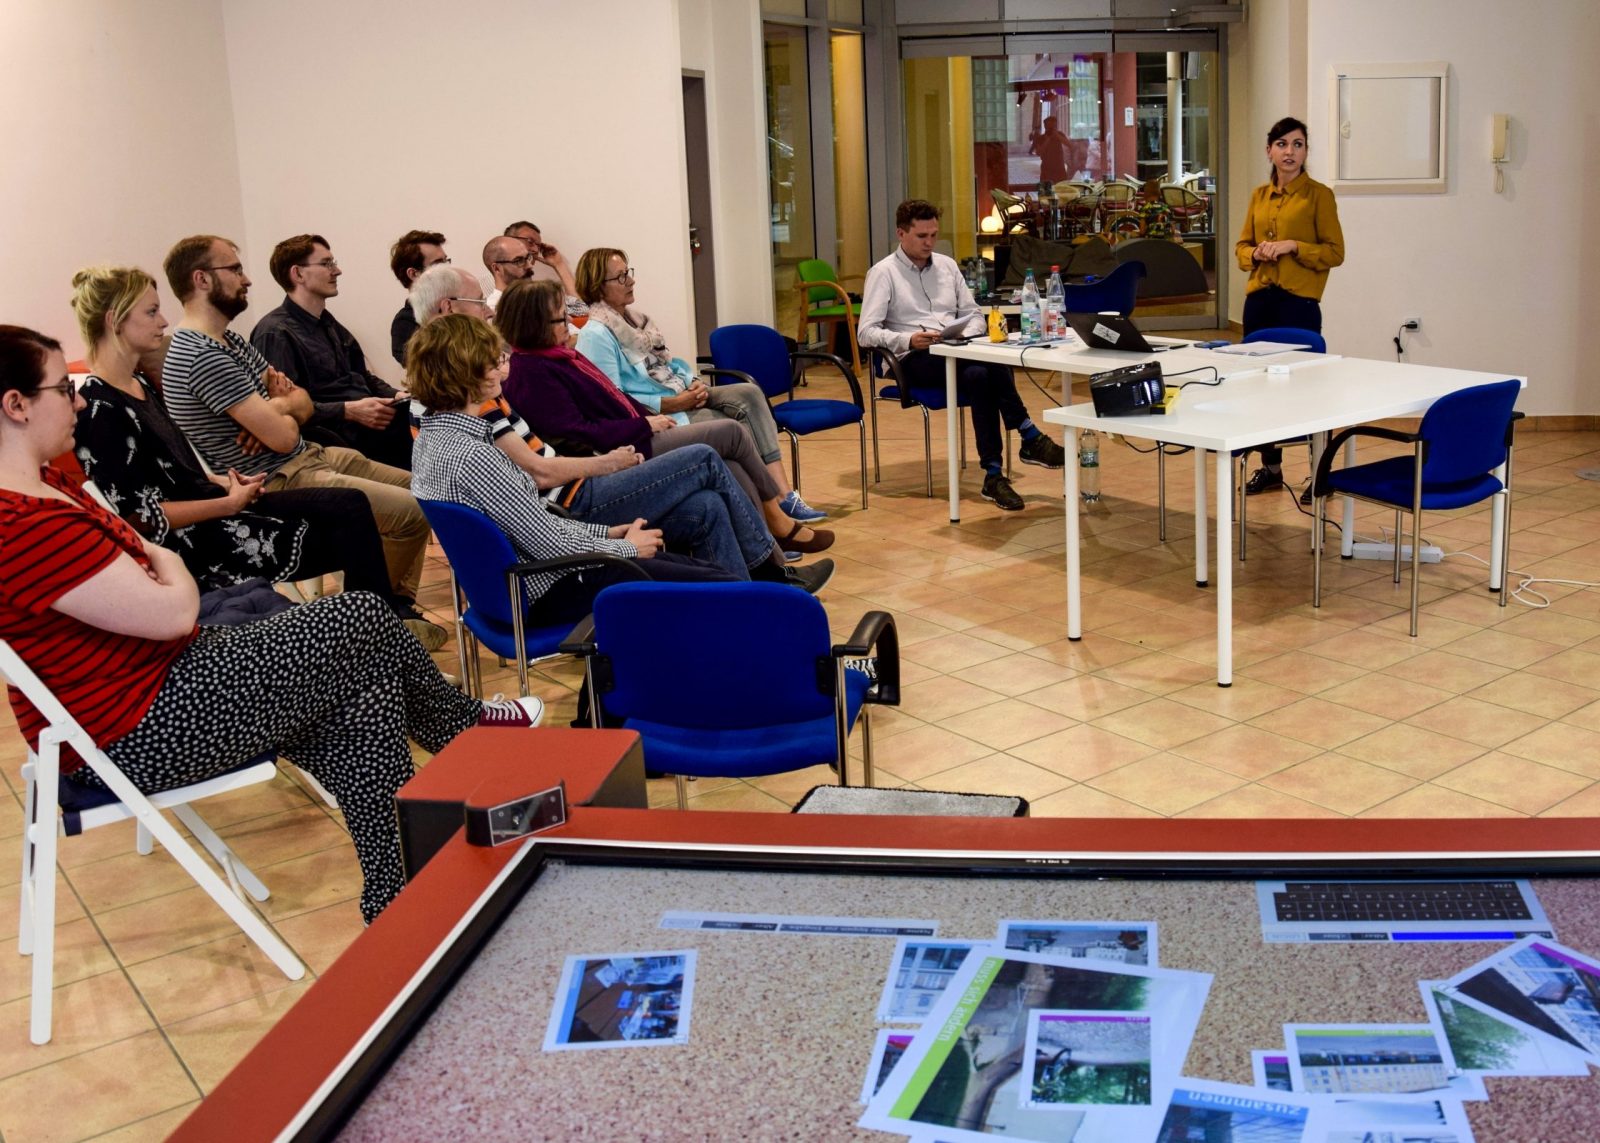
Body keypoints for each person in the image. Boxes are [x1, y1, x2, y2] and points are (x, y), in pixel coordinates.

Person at [0, 324, 541, 924]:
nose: (78, 401)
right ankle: (465, 734)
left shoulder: (46, 486)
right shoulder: (21, 523)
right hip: (136, 729)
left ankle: (397, 894)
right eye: (62, 389)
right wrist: (162, 557)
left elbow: (142, 549)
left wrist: (149, 553)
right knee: (359, 618)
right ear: (16, 405)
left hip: (159, 688)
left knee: (360, 693)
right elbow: (172, 605)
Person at [66, 265, 447, 650]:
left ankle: (378, 627)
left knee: (355, 508)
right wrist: (226, 501)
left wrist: (224, 479)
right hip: (200, 539)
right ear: (114, 320)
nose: (163, 321)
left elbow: (179, 470)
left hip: (226, 498)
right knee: (353, 517)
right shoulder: (99, 408)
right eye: (151, 312)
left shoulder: (141, 383)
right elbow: (135, 516)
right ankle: (375, 632)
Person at [407, 314, 802, 626]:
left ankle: (740, 635)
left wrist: (611, 532)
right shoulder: (474, 455)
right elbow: (548, 542)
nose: (500, 366)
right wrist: (628, 547)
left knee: (704, 509)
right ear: (467, 372)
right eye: (491, 361)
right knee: (714, 581)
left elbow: (540, 524)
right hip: (548, 587)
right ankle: (755, 625)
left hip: (533, 575)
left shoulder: (432, 442)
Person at [157, 234, 433, 614]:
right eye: (235, 269)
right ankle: (371, 620)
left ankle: (395, 611)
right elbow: (285, 436)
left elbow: (299, 399)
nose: (248, 279)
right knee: (411, 511)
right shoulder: (203, 355)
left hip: (312, 455)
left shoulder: (230, 341)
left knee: (430, 492)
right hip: (277, 476)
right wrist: (281, 410)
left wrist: (279, 407)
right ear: (201, 279)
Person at [496, 279, 835, 564]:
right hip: (617, 453)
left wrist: (651, 417)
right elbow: (576, 433)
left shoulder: (560, 357)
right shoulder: (533, 372)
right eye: (560, 320)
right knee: (727, 434)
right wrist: (645, 425)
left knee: (728, 464)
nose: (570, 327)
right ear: (535, 325)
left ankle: (773, 560)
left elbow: (615, 396)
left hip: (633, 434)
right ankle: (777, 519)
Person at [573, 247, 827, 524]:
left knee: (749, 392)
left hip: (678, 391)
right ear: (598, 285)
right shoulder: (595, 333)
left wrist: (693, 382)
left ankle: (783, 495)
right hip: (660, 413)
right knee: (733, 427)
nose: (631, 281)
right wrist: (674, 403)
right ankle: (768, 519)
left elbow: (668, 364)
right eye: (621, 277)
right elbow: (615, 399)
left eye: (628, 273)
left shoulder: (636, 320)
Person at [856, 199, 1067, 512]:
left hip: (956, 351)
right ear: (901, 234)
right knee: (990, 365)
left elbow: (973, 315)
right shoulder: (883, 273)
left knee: (979, 375)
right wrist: (909, 339)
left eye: (933, 235)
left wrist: (963, 333)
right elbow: (865, 333)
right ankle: (1027, 433)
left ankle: (993, 475)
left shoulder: (947, 266)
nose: (929, 243)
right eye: (921, 236)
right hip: (913, 359)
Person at [1235, 115, 1345, 496]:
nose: (1290, 152)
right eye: (1282, 144)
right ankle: (1272, 468)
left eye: (1298, 145)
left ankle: (1321, 473)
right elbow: (1240, 249)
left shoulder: (1319, 195)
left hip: (1298, 304)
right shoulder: (1258, 196)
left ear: (1306, 152)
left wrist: (1294, 246)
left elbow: (1335, 253)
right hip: (1260, 302)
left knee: (1309, 389)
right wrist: (1257, 253)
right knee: (1260, 388)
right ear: (1270, 150)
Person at [249, 234, 413, 470]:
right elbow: (285, 407)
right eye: (327, 264)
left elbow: (362, 376)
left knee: (432, 420)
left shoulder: (329, 323)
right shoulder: (275, 333)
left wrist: (397, 396)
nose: (337, 271)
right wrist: (347, 411)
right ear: (298, 274)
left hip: (370, 424)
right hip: (338, 437)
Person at [388, 229, 451, 365]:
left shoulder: (460, 303)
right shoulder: (404, 323)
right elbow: (432, 370)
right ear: (414, 274)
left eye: (447, 262)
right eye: (439, 264)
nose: (448, 269)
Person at [503, 220, 586, 316]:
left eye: (538, 246)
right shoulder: (489, 291)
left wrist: (559, 264)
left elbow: (581, 310)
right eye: (530, 242)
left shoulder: (537, 292)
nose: (535, 250)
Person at [482, 234, 536, 310]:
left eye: (528, 257)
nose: (529, 265)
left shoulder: (534, 299)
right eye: (519, 261)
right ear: (497, 268)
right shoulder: (494, 311)